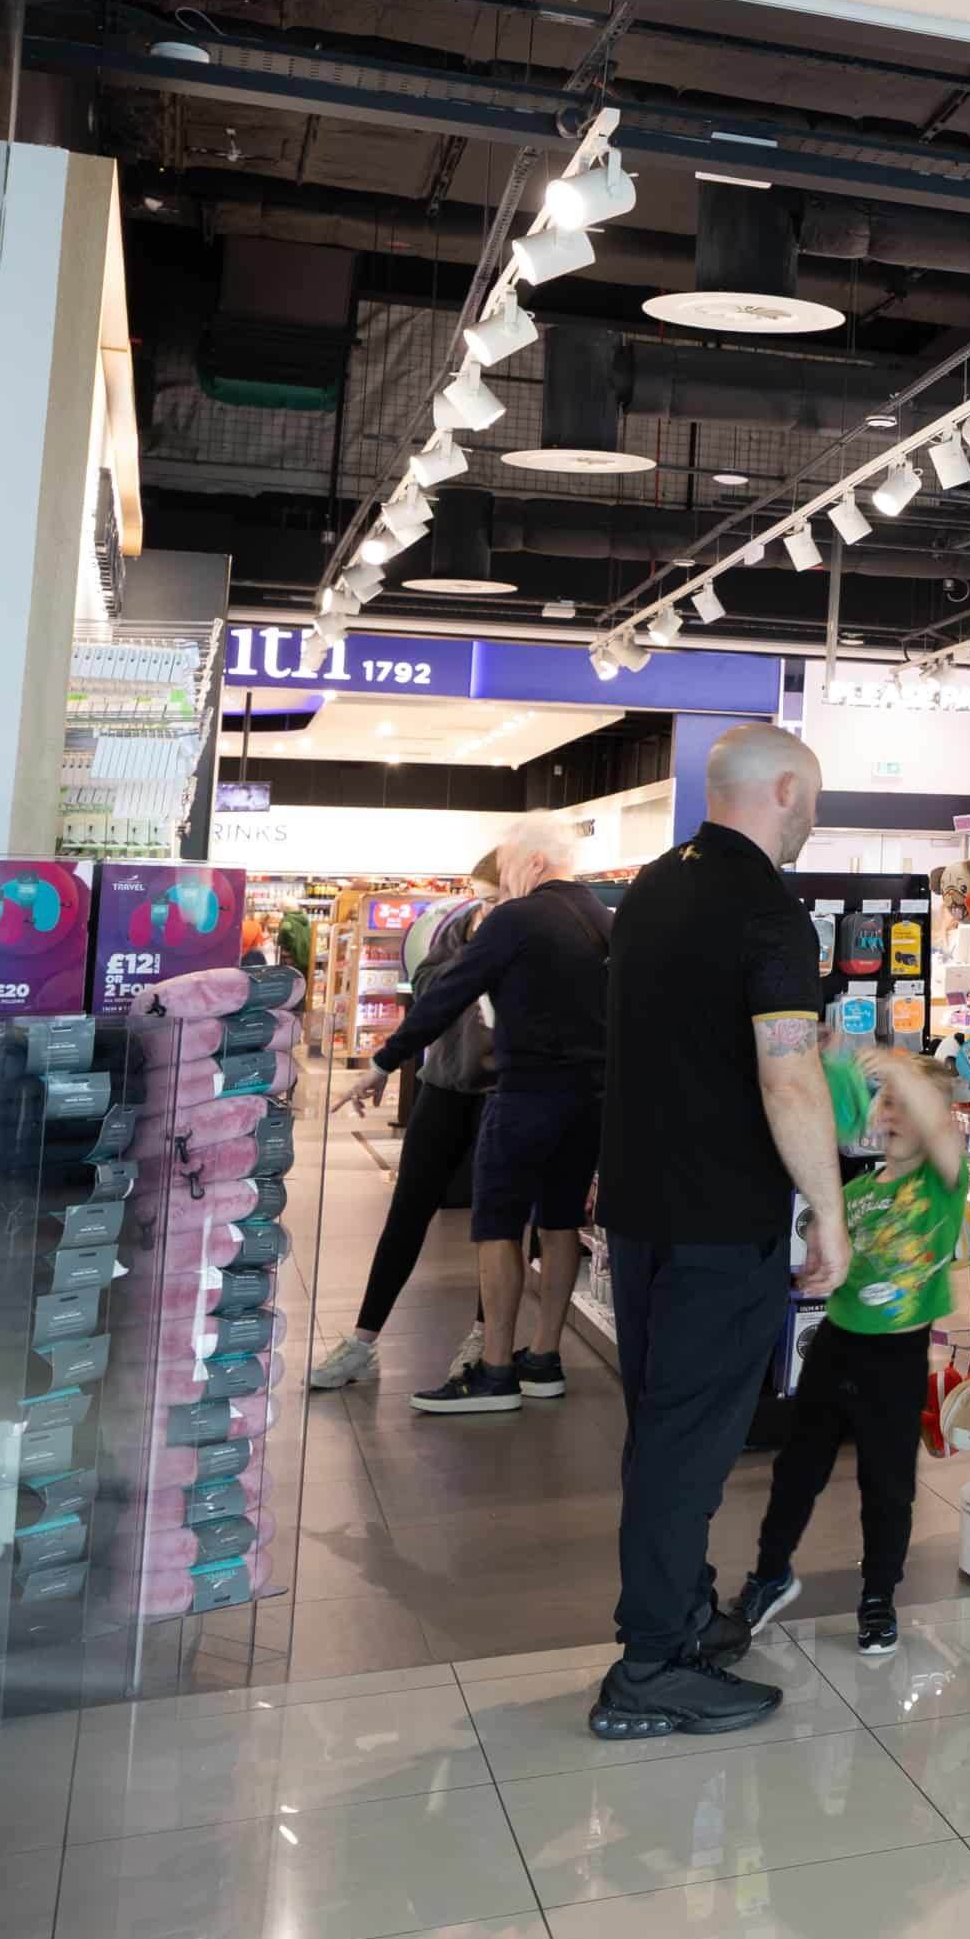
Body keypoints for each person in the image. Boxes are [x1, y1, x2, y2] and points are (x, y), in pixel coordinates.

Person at [585, 721, 852, 1742]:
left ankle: (683, 1612)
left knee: (662, 1431)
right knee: (686, 1445)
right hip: (716, 1221)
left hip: (647, 1212)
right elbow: (787, 1074)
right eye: (814, 802)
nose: (812, 822)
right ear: (785, 786)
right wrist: (827, 1209)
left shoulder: (652, 887)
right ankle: (650, 1663)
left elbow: (648, 1053)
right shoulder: (765, 910)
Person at [720, 1046, 967, 1655]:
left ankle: (879, 1597)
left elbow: (936, 1123)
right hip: (835, 1348)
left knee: (888, 1487)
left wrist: (895, 1065)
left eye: (906, 1104)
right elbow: (833, 1263)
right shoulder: (854, 1194)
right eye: (886, 1103)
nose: (893, 1113)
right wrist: (817, 1272)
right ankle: (770, 1574)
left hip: (897, 1360)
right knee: (797, 1471)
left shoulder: (943, 1183)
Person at [365, 824, 613, 1415]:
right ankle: (543, 1360)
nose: (502, 883)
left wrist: (383, 1060)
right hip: (593, 1100)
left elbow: (447, 993)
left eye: (504, 869)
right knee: (558, 1226)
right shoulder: (608, 921)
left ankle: (495, 1370)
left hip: (525, 1093)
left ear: (531, 862)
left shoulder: (516, 918)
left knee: (498, 1225)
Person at [306, 850, 503, 1393]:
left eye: (494, 897)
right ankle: (363, 1341)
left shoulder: (531, 934)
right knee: (408, 1211)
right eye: (481, 896)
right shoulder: (457, 930)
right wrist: (383, 1065)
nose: (484, 907)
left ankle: (486, 1338)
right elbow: (431, 996)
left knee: (494, 1224)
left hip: (503, 1092)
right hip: (443, 1084)